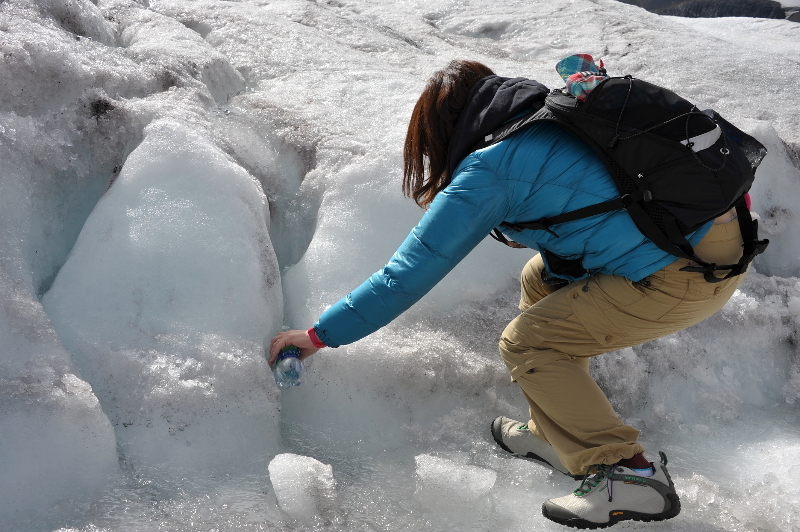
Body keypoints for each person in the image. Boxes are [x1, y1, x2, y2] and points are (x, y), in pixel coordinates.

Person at [269, 60, 748, 528]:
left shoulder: (490, 168)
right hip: (715, 243)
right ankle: (553, 433)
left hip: (686, 273)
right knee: (539, 278)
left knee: (531, 343)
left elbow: (406, 275)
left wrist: (317, 335)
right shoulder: (549, 116)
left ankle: (630, 474)